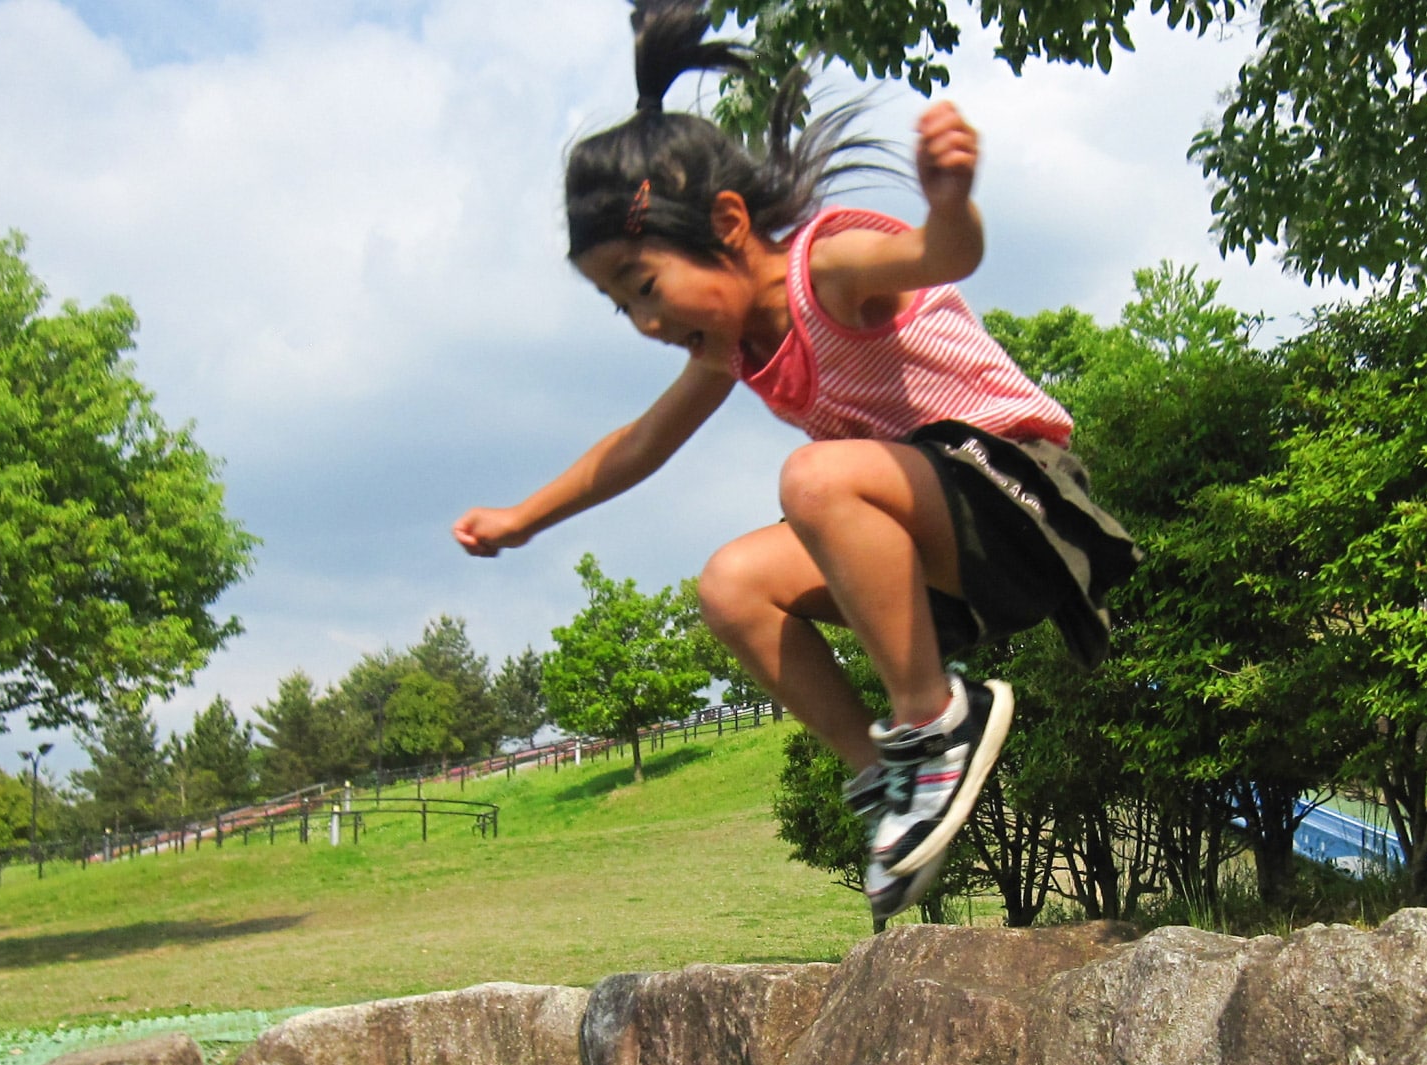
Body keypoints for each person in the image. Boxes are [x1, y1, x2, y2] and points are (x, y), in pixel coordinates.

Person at [453, 0, 1138, 924]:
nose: (646, 322)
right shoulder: (732, 348)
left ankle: (934, 721)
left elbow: (942, 254)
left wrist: (949, 201)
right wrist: (523, 519)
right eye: (622, 306)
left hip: (1020, 502)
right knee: (732, 585)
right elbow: (640, 444)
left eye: (645, 285)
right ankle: (889, 775)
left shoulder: (830, 272)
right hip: (941, 560)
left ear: (729, 222)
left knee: (814, 478)